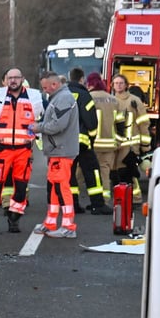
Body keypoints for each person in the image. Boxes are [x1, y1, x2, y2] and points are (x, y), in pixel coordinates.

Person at [0, 68, 44, 234]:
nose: (13, 80)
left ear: (22, 79)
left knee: (20, 187)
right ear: (5, 80)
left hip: (24, 151)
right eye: (10, 78)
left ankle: (14, 219)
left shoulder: (34, 97)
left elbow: (46, 118)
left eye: (16, 77)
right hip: (2, 150)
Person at [28, 72, 79, 238]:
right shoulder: (58, 97)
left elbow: (58, 125)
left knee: (61, 188)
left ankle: (68, 226)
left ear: (54, 85)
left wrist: (39, 127)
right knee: (55, 188)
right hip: (58, 150)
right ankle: (51, 222)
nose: (44, 91)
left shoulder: (63, 98)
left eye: (45, 87)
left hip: (61, 150)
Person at [66, 67, 111, 215]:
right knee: (92, 172)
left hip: (65, 144)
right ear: (81, 79)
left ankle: (72, 204)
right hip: (82, 142)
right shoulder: (84, 95)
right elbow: (91, 121)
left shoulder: (61, 94)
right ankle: (97, 204)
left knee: (70, 174)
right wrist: (90, 139)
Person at [112, 74, 151, 198]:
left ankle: (134, 198)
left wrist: (145, 146)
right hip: (117, 143)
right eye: (116, 83)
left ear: (126, 85)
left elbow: (143, 123)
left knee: (128, 172)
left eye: (121, 83)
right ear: (112, 85)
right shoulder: (111, 100)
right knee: (118, 172)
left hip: (131, 144)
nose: (118, 85)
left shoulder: (134, 101)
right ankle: (125, 197)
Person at [86, 72, 122, 199]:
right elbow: (120, 123)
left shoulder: (87, 97)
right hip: (108, 144)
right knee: (105, 172)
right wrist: (119, 141)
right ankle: (105, 198)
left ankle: (77, 200)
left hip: (91, 143)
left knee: (82, 172)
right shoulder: (114, 100)